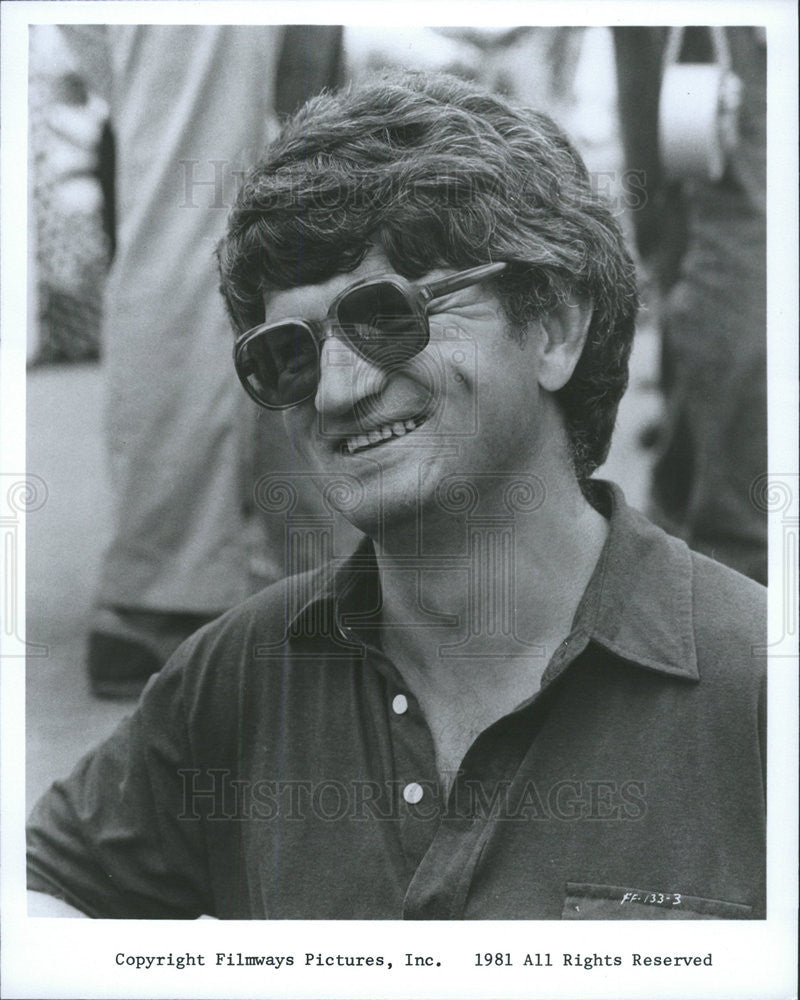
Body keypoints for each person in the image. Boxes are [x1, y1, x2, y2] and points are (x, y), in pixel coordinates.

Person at [28, 72, 766, 920]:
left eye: (387, 317)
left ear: (556, 327)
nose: (337, 390)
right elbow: (44, 892)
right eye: (288, 356)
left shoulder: (753, 696)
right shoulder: (240, 675)